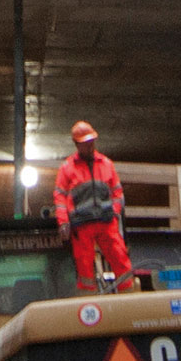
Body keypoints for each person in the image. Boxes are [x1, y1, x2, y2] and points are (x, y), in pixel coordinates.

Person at [53, 119, 134, 295]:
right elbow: (60, 197)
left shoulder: (106, 164)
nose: (89, 146)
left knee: (121, 259)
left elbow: (117, 193)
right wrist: (63, 222)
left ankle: (129, 296)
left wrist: (114, 213)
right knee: (84, 267)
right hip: (82, 226)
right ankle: (88, 301)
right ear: (77, 144)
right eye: (85, 143)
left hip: (106, 222)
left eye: (91, 142)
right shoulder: (67, 168)